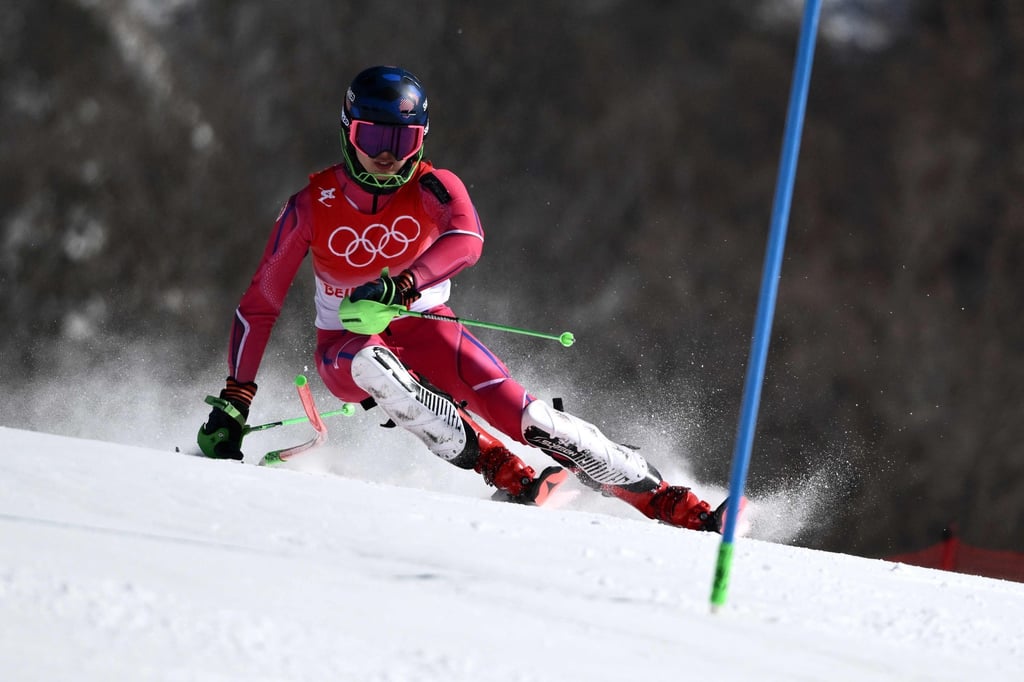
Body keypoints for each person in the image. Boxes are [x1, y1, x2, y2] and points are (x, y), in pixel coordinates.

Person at [198, 65, 723, 531]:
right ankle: (503, 469)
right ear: (347, 133)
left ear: (421, 140)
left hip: (428, 326)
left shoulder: (433, 186)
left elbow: (468, 238)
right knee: (375, 365)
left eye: (402, 141)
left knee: (531, 419)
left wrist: (404, 284)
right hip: (345, 346)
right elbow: (260, 302)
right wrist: (236, 399)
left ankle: (674, 503)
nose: (386, 155)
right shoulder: (312, 205)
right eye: (372, 136)